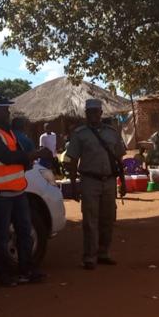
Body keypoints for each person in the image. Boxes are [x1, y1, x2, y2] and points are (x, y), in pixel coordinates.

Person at [0, 92, 52, 287]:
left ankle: (27, 270)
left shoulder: (4, 130)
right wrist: (35, 154)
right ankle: (4, 274)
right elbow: (7, 157)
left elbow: (15, 155)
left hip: (17, 190)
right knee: (1, 236)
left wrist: (27, 159)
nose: (8, 112)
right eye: (5, 109)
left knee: (24, 231)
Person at [65, 98, 126, 270]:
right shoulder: (80, 134)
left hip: (109, 181)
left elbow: (119, 158)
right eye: (90, 112)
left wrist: (122, 182)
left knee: (108, 218)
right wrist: (73, 184)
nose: (93, 115)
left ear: (101, 113)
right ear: (86, 114)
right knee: (90, 220)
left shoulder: (112, 133)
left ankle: (103, 253)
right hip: (89, 181)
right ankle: (90, 257)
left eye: (96, 112)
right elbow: (72, 160)